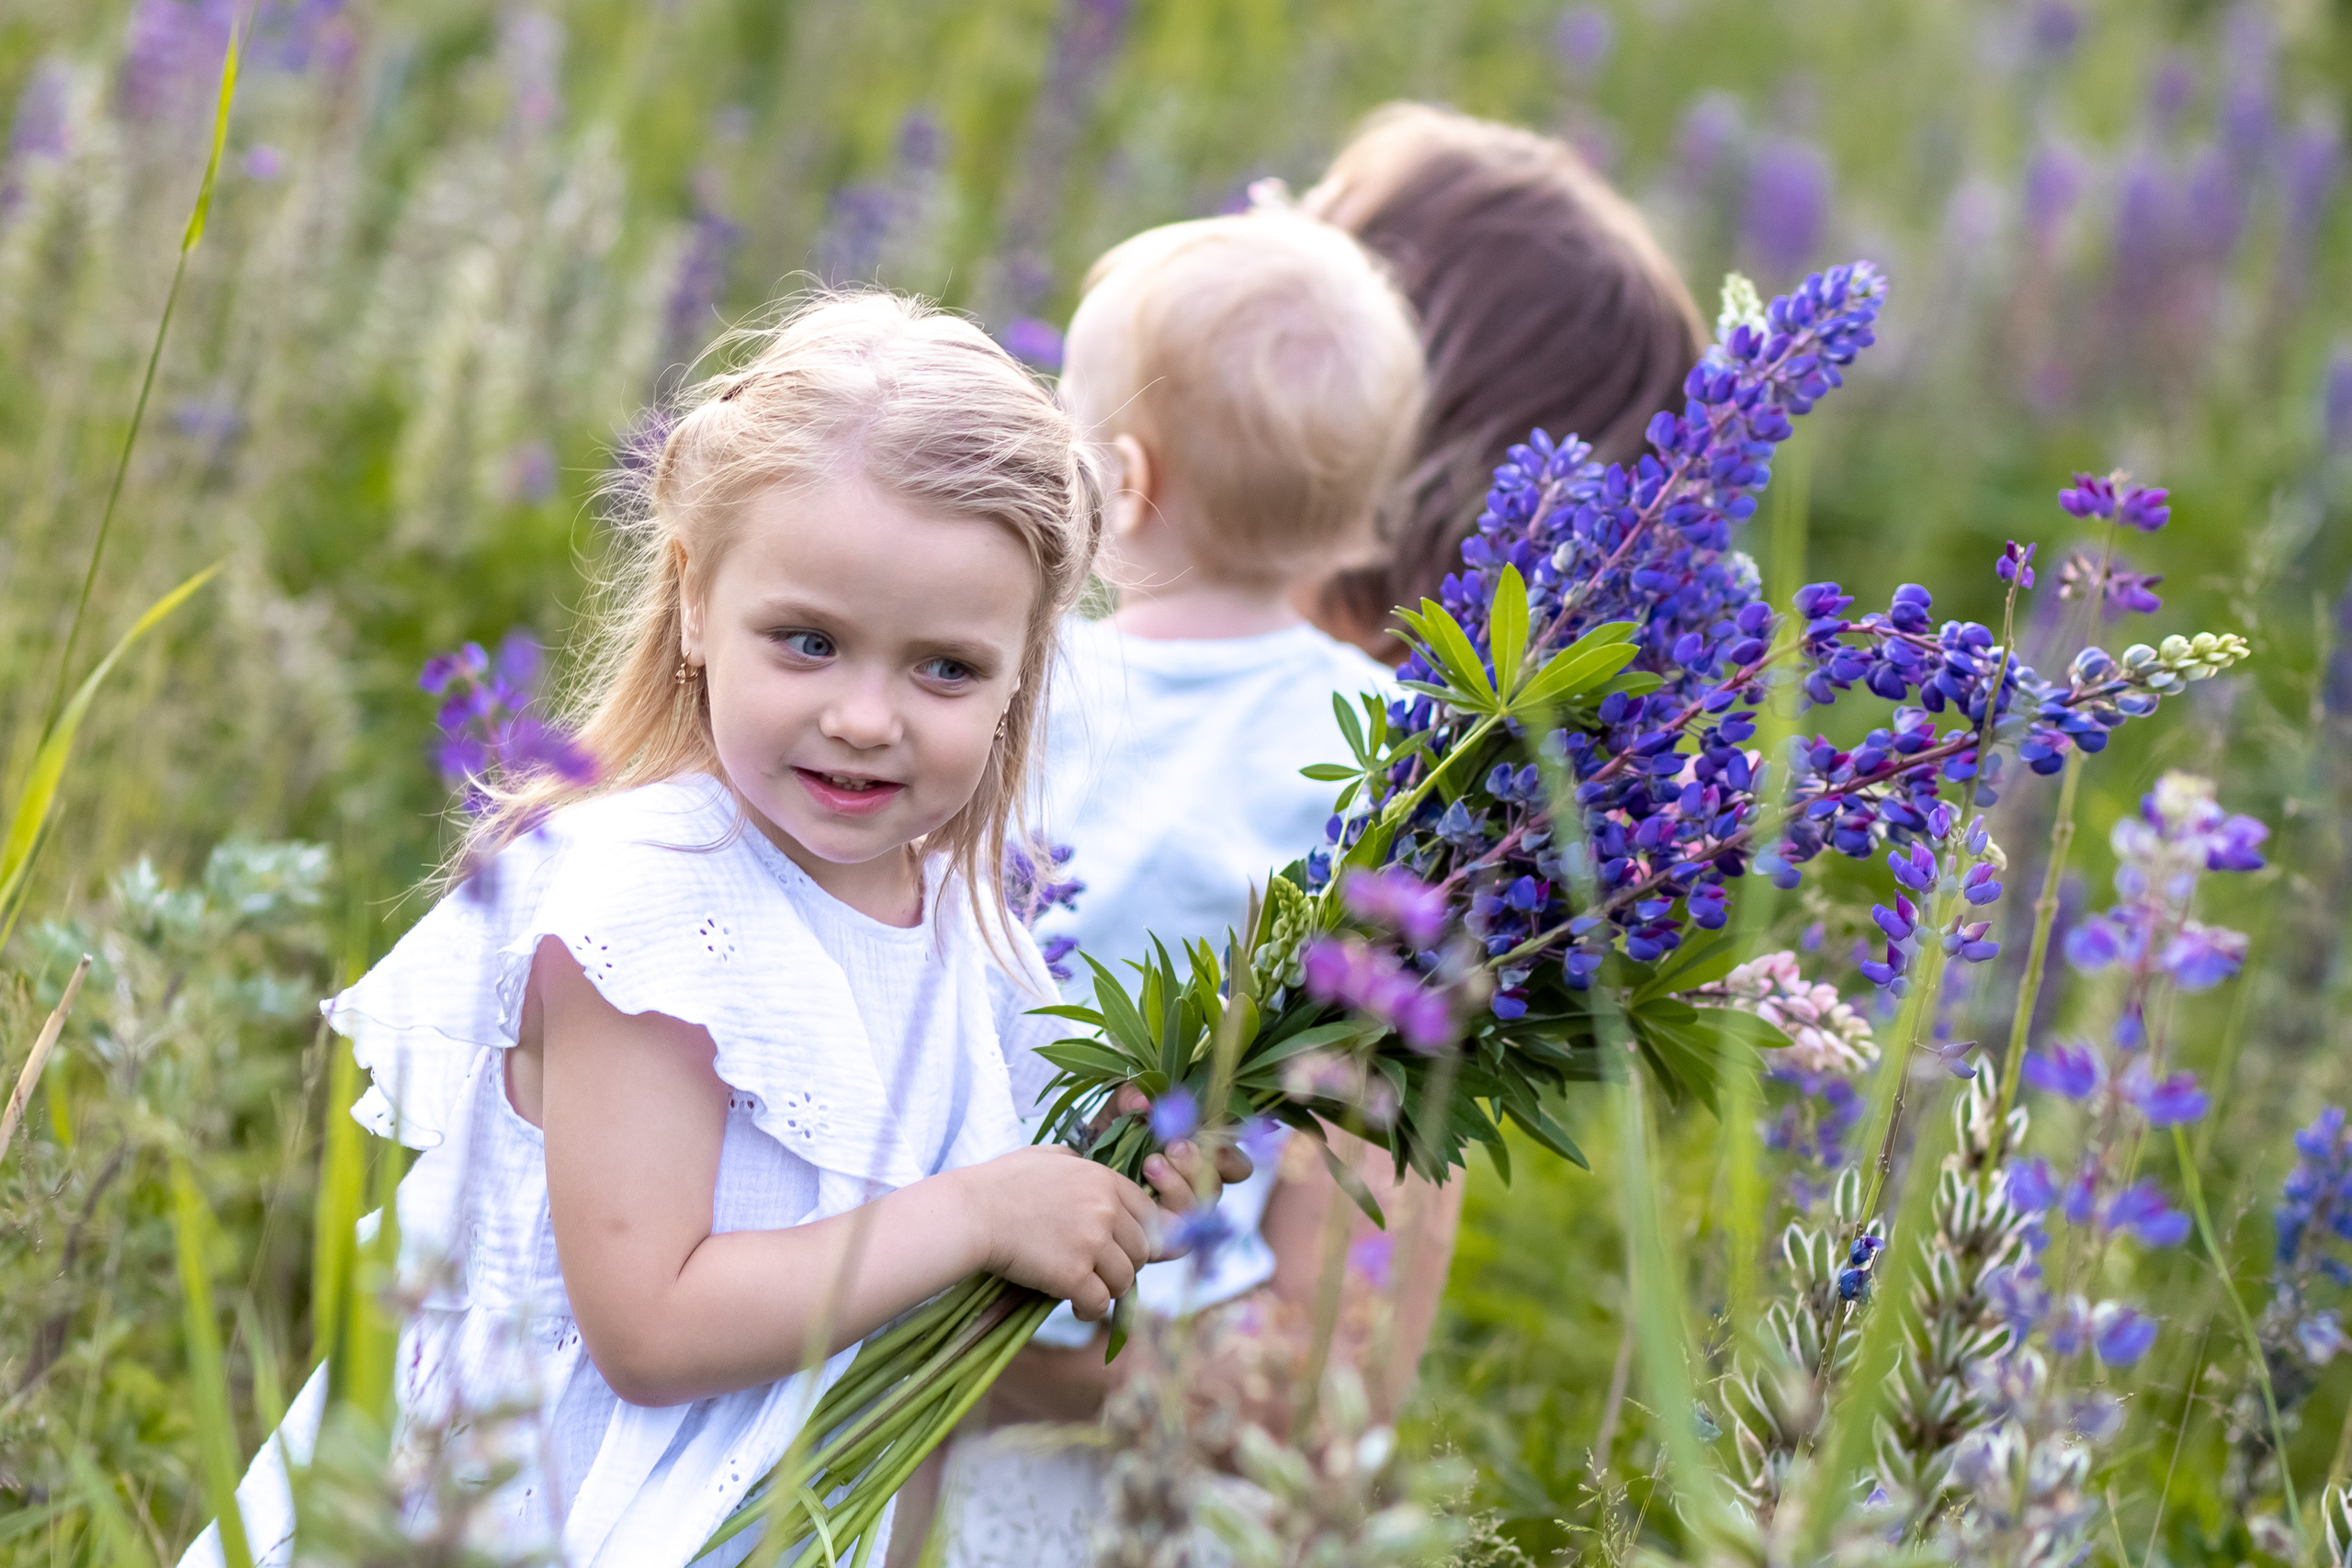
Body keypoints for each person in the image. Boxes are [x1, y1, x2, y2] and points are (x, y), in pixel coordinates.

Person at [178, 292, 1242, 1568]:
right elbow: (653, 1329)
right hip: (519, 1523)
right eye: (809, 642)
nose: (865, 715)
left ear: (1025, 671)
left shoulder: (971, 941)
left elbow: (912, 1287)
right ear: (693, 604)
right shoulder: (650, 906)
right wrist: (978, 1214)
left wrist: (1099, 1184)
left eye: (944, 669)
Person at [917, 104, 1708, 1568]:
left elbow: (1311, 1390)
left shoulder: (1404, 856)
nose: (1257, 201)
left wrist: (900, 1302)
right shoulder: (1032, 678)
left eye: (1308, 215)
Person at [910, 208, 1426, 1568]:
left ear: (1118, 483)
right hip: (1176, 1289)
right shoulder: (1394, 739)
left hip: (946, 1235)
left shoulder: (1019, 683)